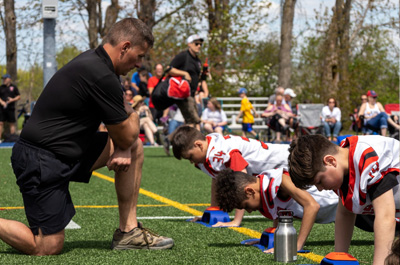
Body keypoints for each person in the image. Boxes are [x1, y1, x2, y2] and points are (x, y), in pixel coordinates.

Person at [0, 18, 173, 256]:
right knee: (46, 246)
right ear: (124, 47)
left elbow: (124, 136)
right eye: (139, 55)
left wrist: (124, 144)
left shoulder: (101, 66)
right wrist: (131, 114)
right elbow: (126, 129)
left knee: (134, 147)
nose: (139, 64)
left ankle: (128, 232)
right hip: (40, 159)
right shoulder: (100, 74)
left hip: (70, 151)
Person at [288, 134, 399, 265]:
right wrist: (339, 258)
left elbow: (385, 217)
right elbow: (345, 212)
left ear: (330, 161)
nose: (320, 189)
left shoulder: (367, 156)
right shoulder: (343, 164)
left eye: (319, 181)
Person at [170, 125, 291, 227]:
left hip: (287, 160)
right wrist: (214, 211)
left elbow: (241, 183)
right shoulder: (208, 148)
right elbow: (216, 177)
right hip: (277, 168)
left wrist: (236, 221)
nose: (191, 162)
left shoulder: (222, 151)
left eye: (190, 157)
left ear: (199, 145)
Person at [215, 168, 338, 252]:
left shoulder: (280, 183)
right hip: (340, 213)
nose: (249, 211)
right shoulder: (265, 188)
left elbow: (312, 206)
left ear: (250, 191)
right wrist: (270, 238)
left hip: (347, 206)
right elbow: (279, 210)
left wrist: (296, 246)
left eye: (246, 206)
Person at [168, 34, 204, 128]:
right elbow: (169, 69)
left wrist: (204, 75)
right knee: (193, 120)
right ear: (189, 44)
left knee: (193, 122)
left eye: (200, 44)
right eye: (196, 43)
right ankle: (190, 141)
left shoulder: (198, 61)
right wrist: (184, 73)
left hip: (192, 94)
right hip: (183, 94)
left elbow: (197, 78)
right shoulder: (183, 56)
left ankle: (174, 139)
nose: (199, 46)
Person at [0, 73, 21, 142]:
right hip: (2, 109)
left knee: (12, 123)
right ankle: (0, 139)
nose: (4, 80)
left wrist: (12, 100)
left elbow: (18, 96)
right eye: (3, 79)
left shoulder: (14, 87)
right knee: (0, 123)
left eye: (5, 78)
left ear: (9, 79)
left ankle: (12, 139)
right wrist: (2, 102)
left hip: (11, 108)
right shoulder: (1, 87)